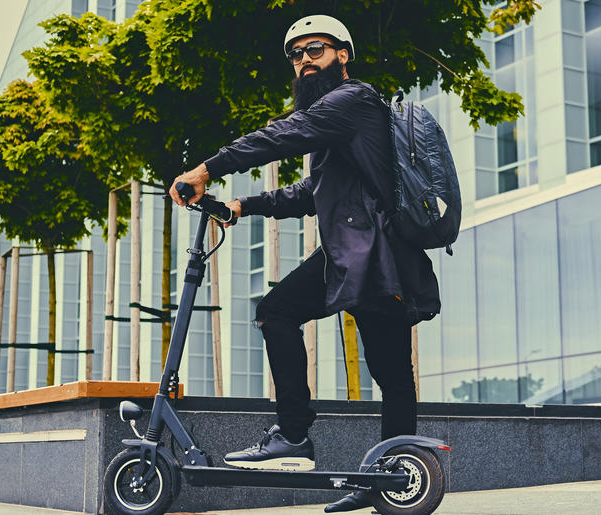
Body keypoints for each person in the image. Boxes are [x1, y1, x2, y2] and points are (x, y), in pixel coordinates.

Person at [169, 14, 440, 512]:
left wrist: (207, 169)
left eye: (315, 49)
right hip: (360, 253)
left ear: (342, 54)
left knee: (300, 323)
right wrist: (243, 205)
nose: (303, 61)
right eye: (295, 55)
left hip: (373, 253)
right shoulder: (339, 122)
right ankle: (389, 478)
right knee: (385, 369)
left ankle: (302, 440)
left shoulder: (352, 100)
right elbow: (312, 193)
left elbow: (282, 135)